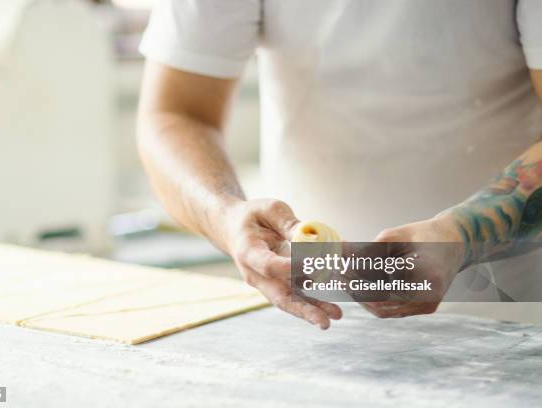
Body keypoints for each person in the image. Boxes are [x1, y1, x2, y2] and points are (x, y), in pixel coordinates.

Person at [136, 0, 542, 328]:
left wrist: (461, 236)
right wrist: (224, 216)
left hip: (508, 310)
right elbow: (175, 114)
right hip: (311, 313)